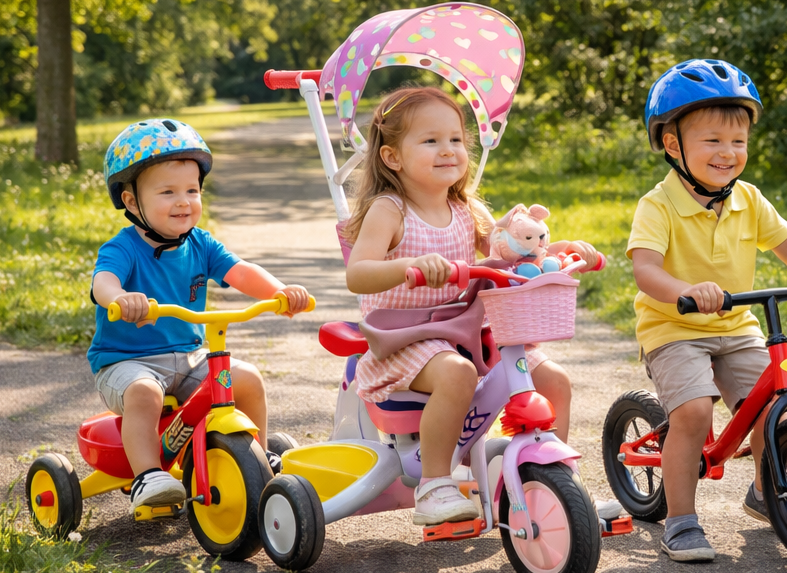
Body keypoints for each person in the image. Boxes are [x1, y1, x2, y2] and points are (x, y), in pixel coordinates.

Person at [628, 59, 787, 563]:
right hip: (674, 325)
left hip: (737, 322)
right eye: (712, 141)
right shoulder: (658, 205)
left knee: (774, 406)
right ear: (673, 145)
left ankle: (763, 489)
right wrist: (687, 289)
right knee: (692, 413)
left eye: (738, 142)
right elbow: (645, 269)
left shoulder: (749, 200)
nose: (728, 153)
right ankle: (682, 521)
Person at [343, 87, 598, 525]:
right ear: (392, 157)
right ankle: (435, 484)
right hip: (406, 337)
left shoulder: (466, 209)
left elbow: (516, 251)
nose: (448, 150)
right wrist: (409, 265)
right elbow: (358, 273)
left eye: (456, 140)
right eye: (431, 141)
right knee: (457, 374)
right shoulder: (389, 210)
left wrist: (561, 250)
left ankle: (551, 479)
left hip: (467, 331)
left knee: (553, 379)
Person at [90, 119, 311, 514]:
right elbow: (102, 282)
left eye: (192, 190)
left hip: (189, 356)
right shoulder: (122, 248)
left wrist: (279, 291)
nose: (183, 201)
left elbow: (240, 271)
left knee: (246, 380)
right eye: (167, 191)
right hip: (126, 362)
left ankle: (256, 458)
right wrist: (121, 298)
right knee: (145, 393)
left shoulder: (200, 243)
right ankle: (147, 476)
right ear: (130, 202)